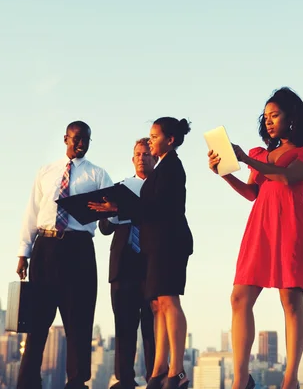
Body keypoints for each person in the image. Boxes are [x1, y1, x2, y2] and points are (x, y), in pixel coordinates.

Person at [208, 87, 303, 389]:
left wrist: (246, 159)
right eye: (267, 116)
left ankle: (290, 381)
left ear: (293, 118)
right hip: (260, 226)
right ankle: (240, 380)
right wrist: (224, 172)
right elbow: (253, 193)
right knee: (239, 298)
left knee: (290, 300)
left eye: (276, 115)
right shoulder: (261, 154)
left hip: (291, 225)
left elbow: (288, 178)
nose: (270, 121)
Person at [91, 117, 193, 389]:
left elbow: (158, 209)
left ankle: (176, 370)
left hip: (168, 245)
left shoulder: (170, 167)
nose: (150, 142)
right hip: (156, 246)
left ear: (169, 139)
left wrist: (118, 209)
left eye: (154, 137)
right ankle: (159, 370)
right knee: (159, 307)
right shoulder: (163, 169)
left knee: (169, 304)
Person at [16, 121, 113, 389]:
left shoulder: (98, 174)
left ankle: (76, 383)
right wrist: (23, 253)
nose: (81, 144)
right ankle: (26, 383)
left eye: (87, 140)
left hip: (79, 249)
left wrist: (109, 210)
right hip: (45, 249)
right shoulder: (45, 172)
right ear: (66, 139)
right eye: (77, 138)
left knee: (79, 322)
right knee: (36, 322)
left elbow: (111, 211)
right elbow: (32, 213)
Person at [98, 138, 157, 389]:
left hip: (152, 262)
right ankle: (125, 380)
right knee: (124, 325)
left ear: (155, 158)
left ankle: (156, 376)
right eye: (137, 154)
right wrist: (110, 215)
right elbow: (103, 228)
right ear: (132, 159)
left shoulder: (161, 190)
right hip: (123, 264)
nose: (141, 158)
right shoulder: (119, 187)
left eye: (146, 154)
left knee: (153, 327)